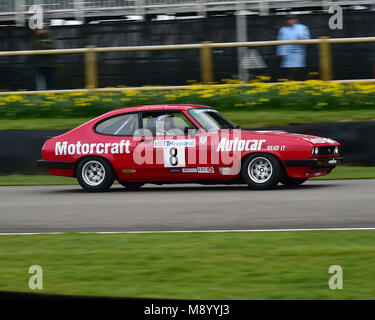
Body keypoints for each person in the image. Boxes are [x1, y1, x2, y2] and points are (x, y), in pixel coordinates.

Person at [277, 15, 310, 81]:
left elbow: (307, 38)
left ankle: (298, 83)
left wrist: (303, 39)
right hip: (286, 53)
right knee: (289, 70)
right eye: (288, 19)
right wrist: (280, 53)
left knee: (298, 69)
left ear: (296, 20)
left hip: (299, 53)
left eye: (291, 19)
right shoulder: (283, 30)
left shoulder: (303, 28)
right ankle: (290, 83)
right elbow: (280, 41)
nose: (290, 21)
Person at [31, 26, 56, 90]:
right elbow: (33, 47)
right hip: (38, 64)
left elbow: (51, 47)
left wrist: (40, 44)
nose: (39, 31)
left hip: (49, 64)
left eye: (41, 29)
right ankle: (41, 97)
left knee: (50, 84)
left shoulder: (50, 35)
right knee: (39, 84)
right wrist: (43, 44)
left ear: (46, 29)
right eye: (37, 29)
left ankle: (50, 96)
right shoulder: (35, 37)